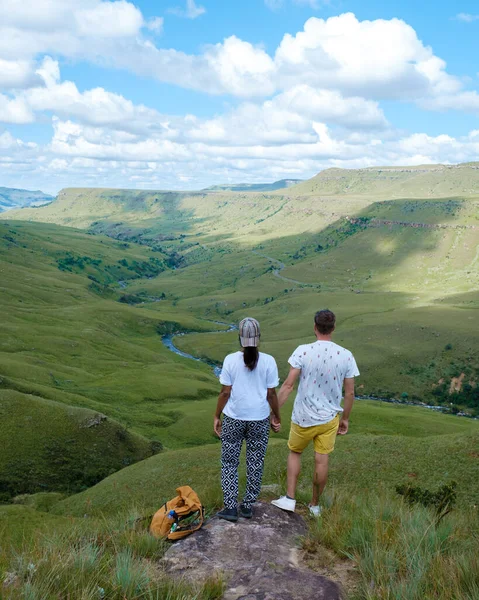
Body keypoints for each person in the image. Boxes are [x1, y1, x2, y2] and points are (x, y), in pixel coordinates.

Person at [271, 309, 359, 516]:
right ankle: (315, 505)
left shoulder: (303, 351)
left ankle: (290, 499)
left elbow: (288, 386)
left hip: (303, 416)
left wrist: (274, 412)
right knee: (322, 461)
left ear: (314, 327)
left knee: (295, 453)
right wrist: (345, 419)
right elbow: (350, 392)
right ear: (333, 328)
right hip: (329, 418)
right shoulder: (346, 355)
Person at [214, 317, 281, 522]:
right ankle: (248, 506)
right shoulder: (269, 361)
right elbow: (271, 394)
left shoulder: (230, 360)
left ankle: (231, 507)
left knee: (229, 462)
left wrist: (217, 416)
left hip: (234, 417)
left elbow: (225, 392)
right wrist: (276, 416)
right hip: (259, 419)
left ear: (239, 339)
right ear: (258, 338)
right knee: (255, 461)